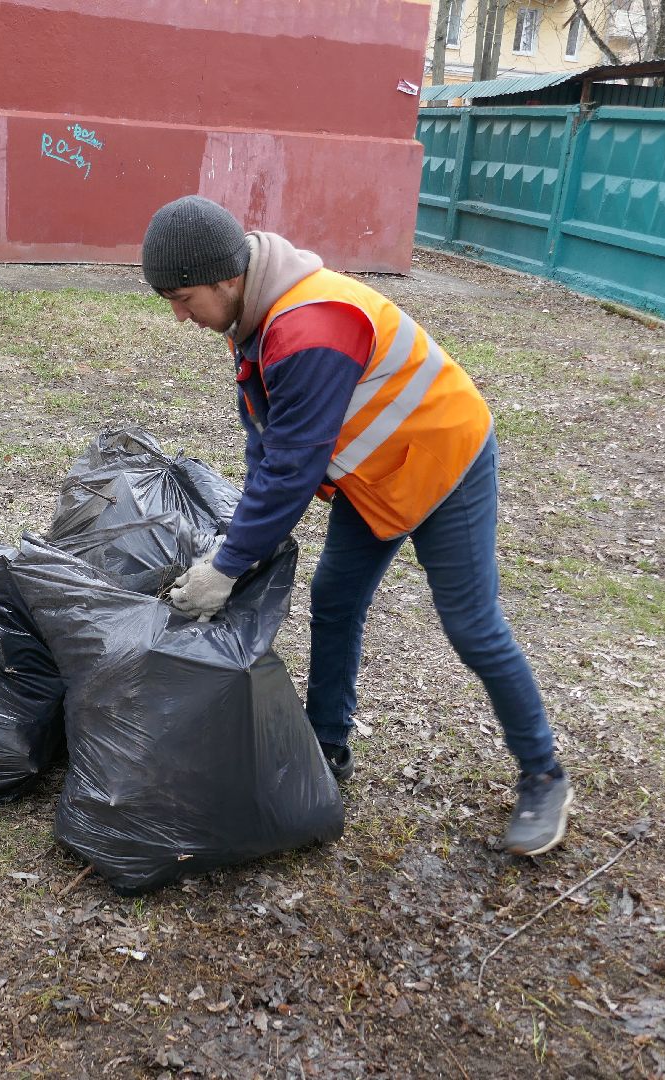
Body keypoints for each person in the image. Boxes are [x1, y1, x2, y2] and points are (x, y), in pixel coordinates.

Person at [146, 195, 572, 857]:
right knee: (336, 598)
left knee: (472, 624)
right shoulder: (253, 314)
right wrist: (240, 541)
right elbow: (266, 437)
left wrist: (228, 567)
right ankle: (327, 746)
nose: (178, 316)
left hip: (443, 460)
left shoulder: (308, 328)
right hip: (378, 472)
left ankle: (544, 775)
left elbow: (293, 467)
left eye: (182, 298)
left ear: (226, 279)